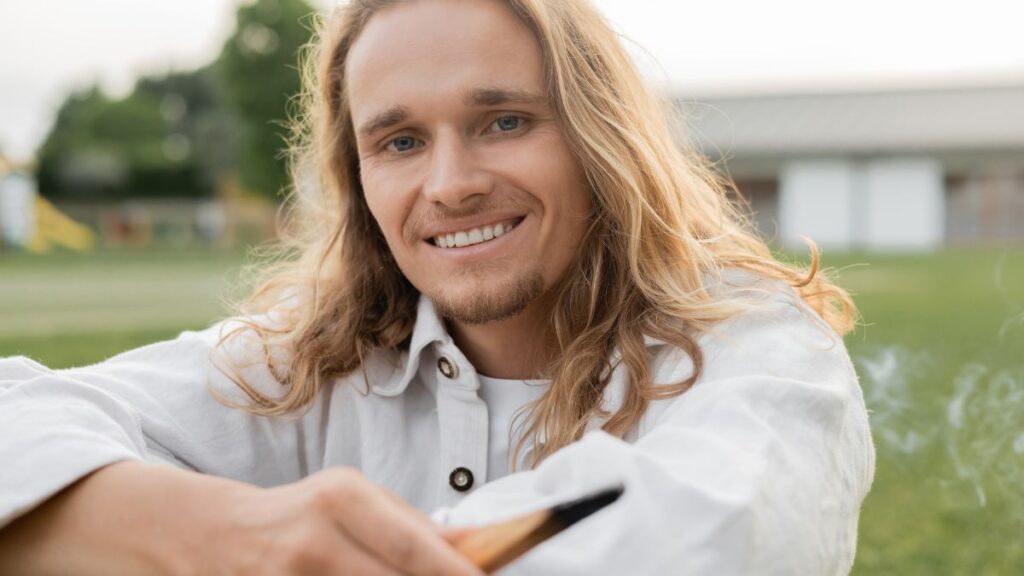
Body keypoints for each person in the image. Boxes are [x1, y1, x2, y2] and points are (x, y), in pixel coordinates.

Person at [0, 0, 875, 574]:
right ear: (358, 176)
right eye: (400, 142)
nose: (450, 183)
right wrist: (231, 536)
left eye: (504, 121)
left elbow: (720, 535)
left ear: (598, 137)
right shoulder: (309, 360)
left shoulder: (761, 347)